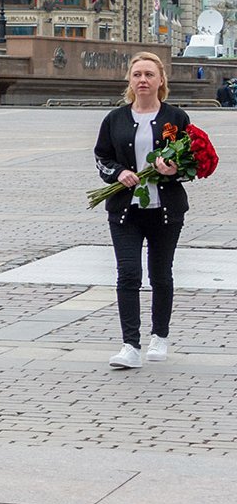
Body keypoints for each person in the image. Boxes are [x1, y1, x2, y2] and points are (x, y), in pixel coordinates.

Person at [93, 52, 192, 369]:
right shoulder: (115, 119)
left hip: (165, 211)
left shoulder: (175, 119)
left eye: (149, 74)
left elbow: (190, 164)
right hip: (125, 210)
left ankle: (159, 336)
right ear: (130, 81)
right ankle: (130, 345)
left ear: (161, 80)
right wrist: (118, 173)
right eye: (137, 75)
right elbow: (102, 157)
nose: (143, 80)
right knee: (129, 273)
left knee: (160, 274)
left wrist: (171, 170)